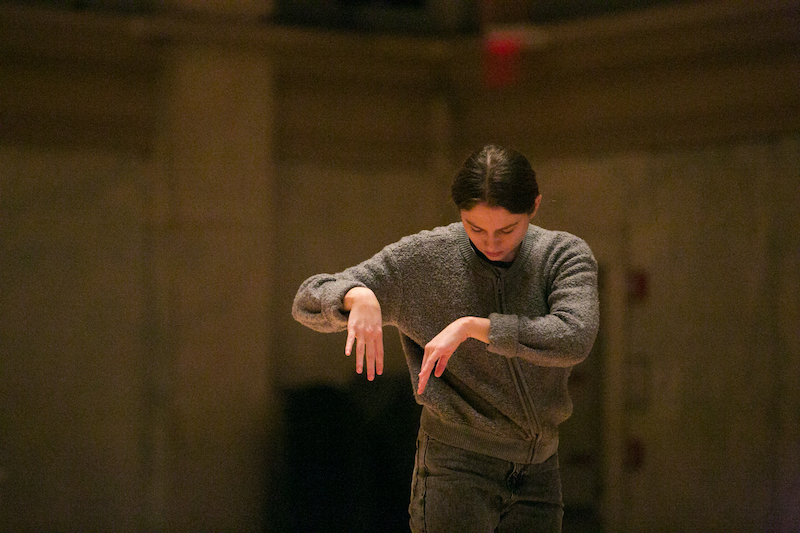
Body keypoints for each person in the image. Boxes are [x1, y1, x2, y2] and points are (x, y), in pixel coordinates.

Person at [292, 144, 599, 533]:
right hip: (457, 465)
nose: (491, 242)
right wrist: (356, 295)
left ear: (534, 207)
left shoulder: (563, 255)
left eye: (507, 229)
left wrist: (477, 327)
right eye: (475, 227)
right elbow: (307, 298)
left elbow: (575, 336)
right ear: (460, 214)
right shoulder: (427, 257)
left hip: (540, 468)